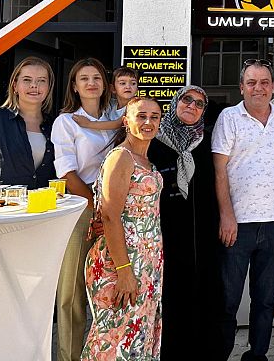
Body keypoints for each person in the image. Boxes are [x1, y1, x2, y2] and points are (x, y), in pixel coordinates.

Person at [212, 59, 274, 361]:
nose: (257, 88)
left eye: (263, 83)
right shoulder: (228, 117)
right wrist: (226, 215)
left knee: (264, 300)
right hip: (238, 223)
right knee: (228, 299)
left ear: (273, 87)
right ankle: (220, 353)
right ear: (241, 87)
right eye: (251, 82)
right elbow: (219, 171)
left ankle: (257, 355)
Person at [81, 97, 164, 360]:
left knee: (138, 336)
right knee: (115, 338)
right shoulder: (122, 157)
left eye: (154, 116)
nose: (148, 122)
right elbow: (109, 216)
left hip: (146, 263)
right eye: (141, 116)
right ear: (126, 121)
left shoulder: (145, 159)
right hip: (120, 261)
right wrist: (124, 270)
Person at [51, 58, 114, 361]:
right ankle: (70, 356)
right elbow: (67, 171)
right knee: (72, 291)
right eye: (84, 78)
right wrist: (95, 206)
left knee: (112, 284)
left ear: (105, 84)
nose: (91, 83)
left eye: (97, 78)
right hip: (82, 209)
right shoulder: (65, 122)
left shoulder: (117, 116)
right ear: (74, 86)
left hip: (117, 211)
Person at [147, 85, 208, 357]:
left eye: (199, 103)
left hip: (197, 234)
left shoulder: (205, 140)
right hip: (162, 232)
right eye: (187, 100)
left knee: (196, 296)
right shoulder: (153, 139)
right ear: (175, 103)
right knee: (167, 296)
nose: (192, 106)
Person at [0, 56, 56, 188]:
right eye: (26, 80)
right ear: (15, 86)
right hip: (0, 206)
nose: (34, 85)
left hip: (43, 206)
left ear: (48, 87)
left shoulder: (55, 125)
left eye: (41, 80)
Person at [72, 66, 139, 130]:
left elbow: (118, 123)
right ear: (112, 88)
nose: (128, 86)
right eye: (122, 83)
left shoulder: (136, 105)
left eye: (133, 83)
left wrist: (88, 124)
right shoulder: (111, 104)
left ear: (137, 89)